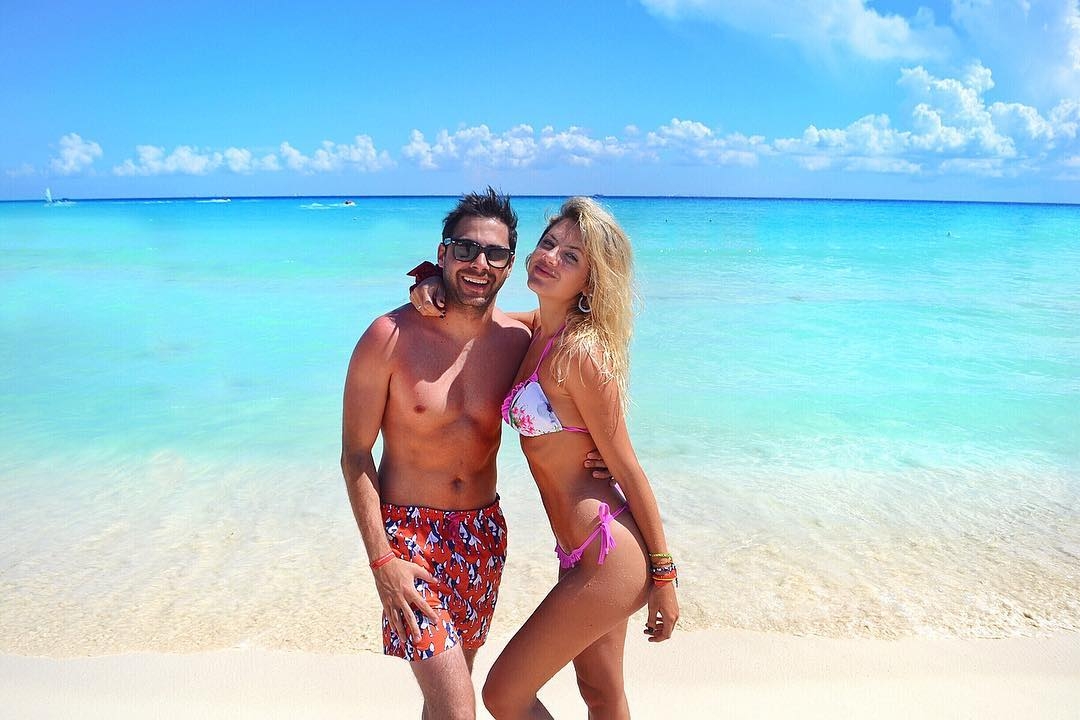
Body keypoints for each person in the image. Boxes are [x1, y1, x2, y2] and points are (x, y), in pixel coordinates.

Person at [341, 188, 610, 720]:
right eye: (464, 249)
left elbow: (587, 336)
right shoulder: (387, 337)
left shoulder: (518, 338)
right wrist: (382, 561)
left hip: (483, 536)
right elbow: (354, 454)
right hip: (409, 540)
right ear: (442, 253)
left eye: (494, 254)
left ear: (510, 264)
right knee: (458, 709)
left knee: (447, 698)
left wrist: (601, 448)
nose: (478, 264)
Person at [413, 197, 679, 719]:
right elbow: (472, 318)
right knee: (601, 693)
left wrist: (665, 578)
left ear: (591, 282)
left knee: (502, 694)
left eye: (571, 257)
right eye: (549, 243)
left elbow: (627, 468)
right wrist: (430, 279)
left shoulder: (582, 354)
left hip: (610, 554)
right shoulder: (537, 330)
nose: (550, 257)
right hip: (577, 551)